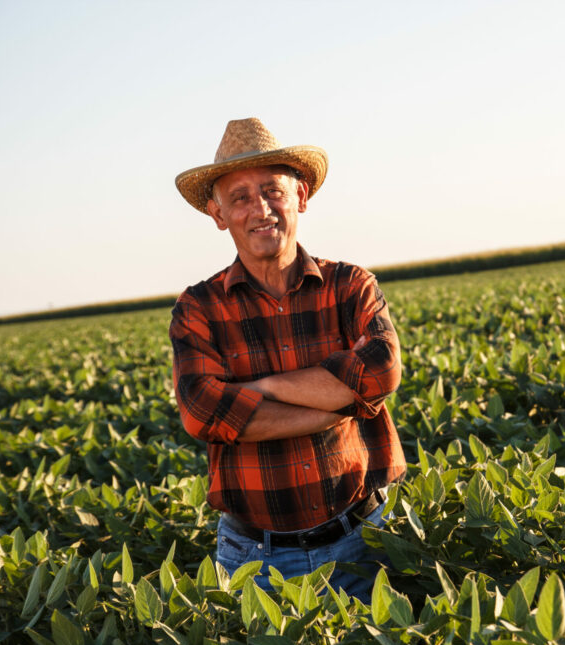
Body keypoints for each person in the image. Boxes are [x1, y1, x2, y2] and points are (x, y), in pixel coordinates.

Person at [169, 118, 405, 599]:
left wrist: (262, 388)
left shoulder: (350, 285)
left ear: (300, 197)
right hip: (256, 558)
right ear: (218, 214)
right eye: (239, 197)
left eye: (273, 191)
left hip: (366, 539)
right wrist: (342, 402)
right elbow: (202, 412)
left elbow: (379, 371)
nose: (260, 209)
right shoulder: (198, 308)